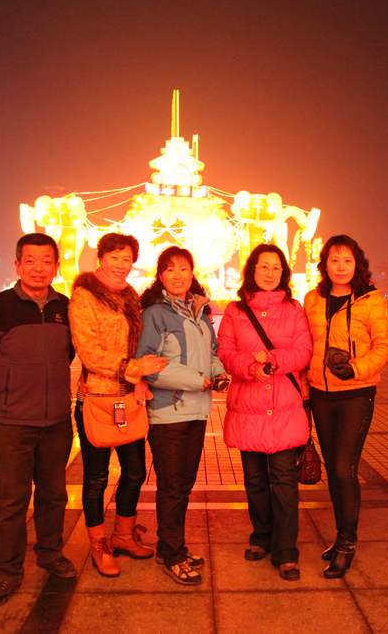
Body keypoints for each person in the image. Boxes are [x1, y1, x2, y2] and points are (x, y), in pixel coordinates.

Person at [0, 233, 77, 608]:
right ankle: (6, 571)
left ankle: (50, 553)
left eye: (47, 261)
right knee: (11, 500)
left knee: (53, 494)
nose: (39, 268)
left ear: (56, 267)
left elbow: (71, 353)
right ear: (17, 265)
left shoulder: (65, 307)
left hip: (57, 422)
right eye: (31, 260)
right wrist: (6, 392)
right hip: (14, 424)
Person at [70, 233, 167, 578]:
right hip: (96, 397)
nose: (121, 264)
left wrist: (140, 375)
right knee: (96, 477)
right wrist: (132, 368)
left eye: (127, 259)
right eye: (115, 257)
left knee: (136, 471)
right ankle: (98, 543)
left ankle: (124, 534)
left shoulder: (130, 298)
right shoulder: (84, 296)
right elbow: (88, 350)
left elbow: (139, 342)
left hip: (129, 397)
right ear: (101, 257)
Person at [217, 244, 312, 581]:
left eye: (276, 267)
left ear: (283, 272)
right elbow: (225, 351)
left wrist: (272, 361)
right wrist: (247, 365)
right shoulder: (235, 311)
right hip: (248, 406)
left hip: (285, 405)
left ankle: (286, 550)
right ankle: (261, 537)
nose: (270, 273)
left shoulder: (294, 309)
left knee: (284, 481)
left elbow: (303, 351)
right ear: (252, 271)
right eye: (263, 267)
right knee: (256, 480)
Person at [305, 234, 388, 579]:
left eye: (347, 260)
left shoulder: (370, 301)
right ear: (324, 264)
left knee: (344, 468)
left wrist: (356, 367)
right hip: (320, 394)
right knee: (332, 467)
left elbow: (386, 346)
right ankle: (340, 534)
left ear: (357, 264)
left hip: (356, 393)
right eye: (334, 260)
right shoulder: (312, 300)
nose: (340, 266)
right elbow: (305, 344)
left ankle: (347, 542)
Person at [136, 246, 227, 585]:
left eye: (184, 268)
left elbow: (212, 353)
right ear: (160, 276)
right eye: (170, 269)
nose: (178, 275)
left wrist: (219, 374)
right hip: (168, 412)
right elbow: (148, 367)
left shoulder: (199, 311)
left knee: (184, 485)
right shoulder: (155, 314)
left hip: (197, 410)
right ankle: (172, 554)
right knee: (172, 486)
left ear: (192, 272)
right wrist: (198, 381)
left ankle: (172, 545)